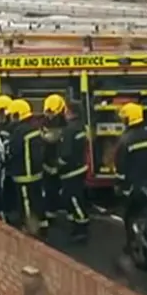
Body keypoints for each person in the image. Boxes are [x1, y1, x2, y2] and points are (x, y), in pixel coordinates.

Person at [113, 102, 147, 253]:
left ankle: (132, 244)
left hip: (133, 186)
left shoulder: (125, 140)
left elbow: (120, 167)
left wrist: (119, 185)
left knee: (130, 216)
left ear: (129, 119)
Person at [4, 98, 45, 235]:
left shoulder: (18, 132)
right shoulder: (33, 128)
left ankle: (30, 230)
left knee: (26, 203)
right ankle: (42, 225)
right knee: (37, 200)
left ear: (17, 114)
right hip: (36, 173)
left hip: (23, 175)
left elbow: (12, 151)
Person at [57, 99, 92, 243]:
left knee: (73, 198)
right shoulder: (81, 126)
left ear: (71, 112)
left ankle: (81, 227)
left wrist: (58, 165)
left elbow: (66, 154)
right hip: (80, 168)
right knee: (73, 197)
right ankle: (76, 223)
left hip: (70, 171)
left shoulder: (69, 130)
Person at [40, 94, 67, 225]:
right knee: (50, 189)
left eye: (52, 113)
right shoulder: (45, 121)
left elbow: (52, 138)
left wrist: (41, 135)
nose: (50, 115)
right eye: (48, 112)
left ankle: (53, 212)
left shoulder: (64, 123)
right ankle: (51, 213)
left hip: (58, 161)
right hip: (48, 162)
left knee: (55, 188)